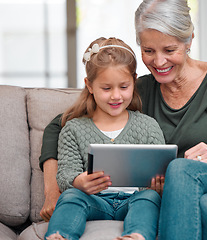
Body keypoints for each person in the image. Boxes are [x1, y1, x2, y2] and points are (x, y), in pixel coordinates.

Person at [40, 0, 207, 239]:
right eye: (148, 50)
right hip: (204, 201)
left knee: (180, 168)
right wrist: (54, 191)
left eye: (170, 49)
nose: (159, 61)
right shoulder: (140, 91)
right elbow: (59, 126)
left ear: (189, 41)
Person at [44, 37, 165, 240]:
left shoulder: (148, 126)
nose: (116, 96)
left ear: (134, 82)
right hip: (94, 200)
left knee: (150, 198)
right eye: (106, 88)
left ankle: (136, 235)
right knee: (71, 197)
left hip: (134, 200)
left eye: (124, 87)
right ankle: (60, 235)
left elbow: (159, 171)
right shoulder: (73, 129)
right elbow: (65, 175)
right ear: (89, 86)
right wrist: (78, 182)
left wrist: (157, 185)